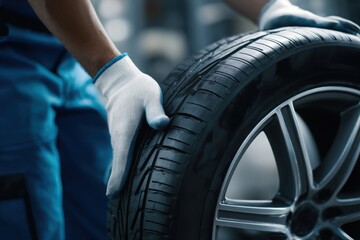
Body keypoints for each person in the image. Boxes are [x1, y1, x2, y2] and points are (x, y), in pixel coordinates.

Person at [0, 0, 358, 239]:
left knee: (106, 210)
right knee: (27, 219)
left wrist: (268, 7)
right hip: (8, 63)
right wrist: (112, 74)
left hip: (61, 50)